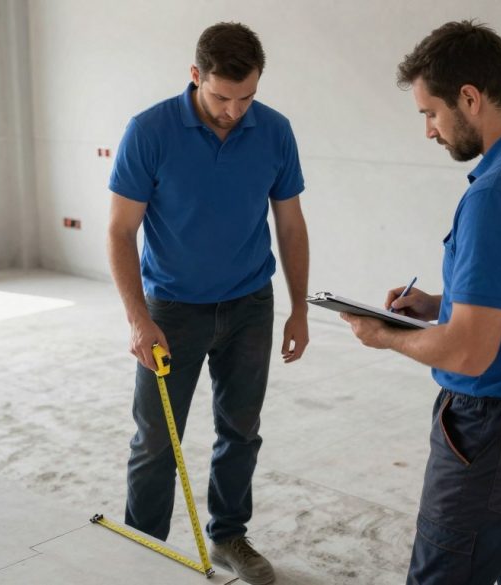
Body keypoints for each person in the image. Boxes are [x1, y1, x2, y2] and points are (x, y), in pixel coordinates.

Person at [341, 21, 501, 585]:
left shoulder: (498, 192)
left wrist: (383, 334)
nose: (430, 131)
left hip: (496, 427)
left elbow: (468, 352)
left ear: (470, 97)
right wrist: (439, 302)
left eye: (430, 113)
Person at [107, 22, 309, 585]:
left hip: (250, 305)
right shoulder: (149, 131)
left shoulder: (274, 131)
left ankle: (228, 535)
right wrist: (138, 318)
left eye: (247, 97)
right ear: (195, 76)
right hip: (171, 309)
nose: (234, 110)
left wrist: (299, 308)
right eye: (222, 96)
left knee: (241, 429)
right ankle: (145, 550)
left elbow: (290, 225)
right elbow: (121, 231)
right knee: (155, 439)